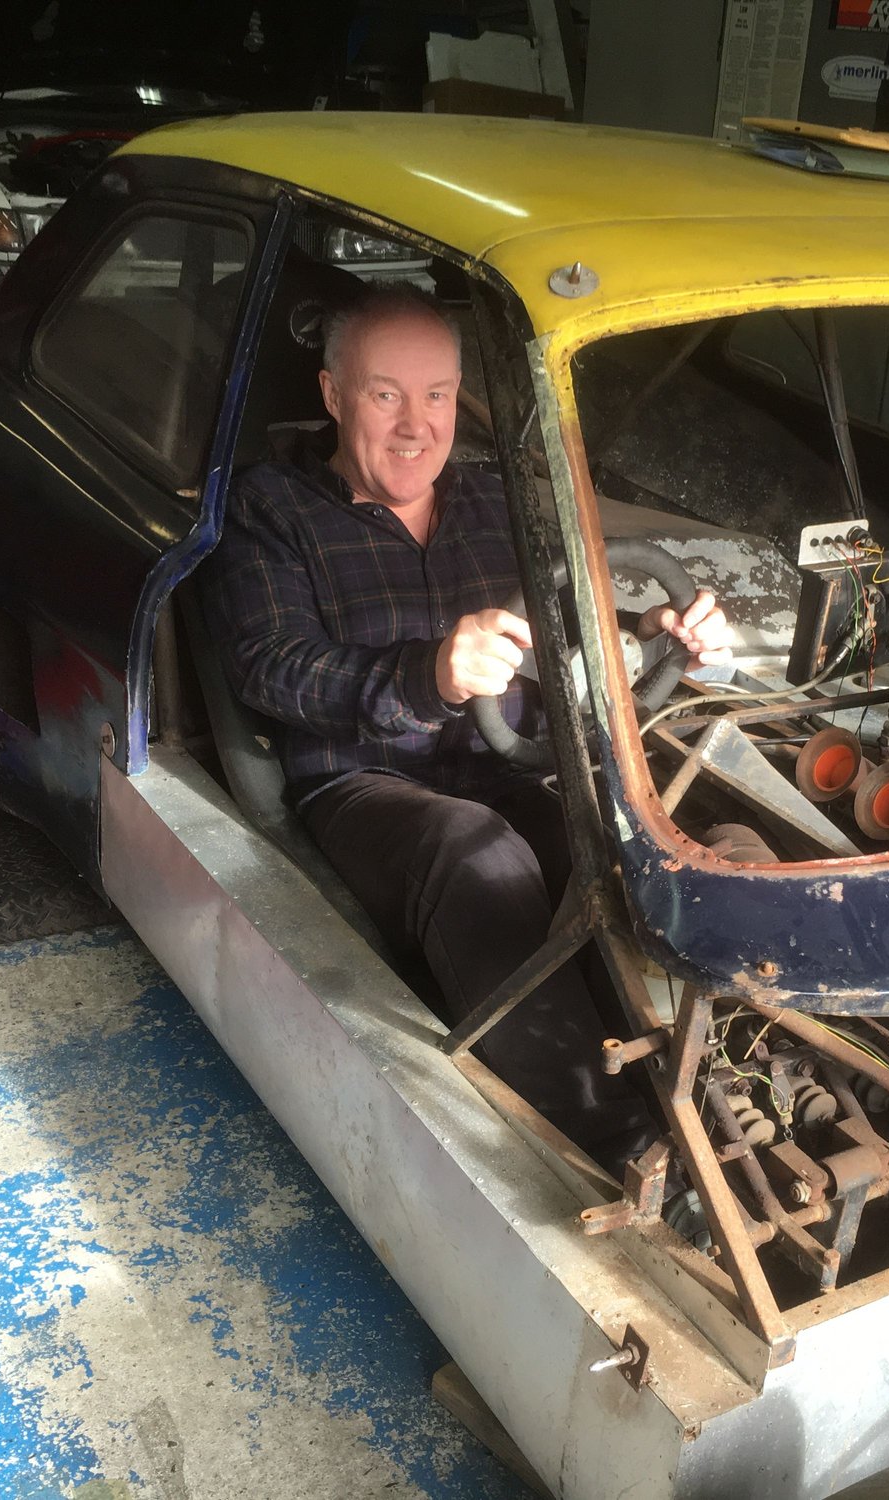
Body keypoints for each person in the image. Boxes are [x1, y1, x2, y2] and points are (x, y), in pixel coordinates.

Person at [202, 285, 731, 1156]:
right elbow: (270, 666)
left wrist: (653, 631)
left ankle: (717, 1084)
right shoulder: (273, 510)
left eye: (437, 395)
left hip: (513, 762)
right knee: (477, 855)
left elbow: (565, 618)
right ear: (333, 395)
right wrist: (428, 675)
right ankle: (609, 1139)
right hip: (366, 781)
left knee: (641, 829)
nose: (416, 425)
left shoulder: (492, 502)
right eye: (385, 394)